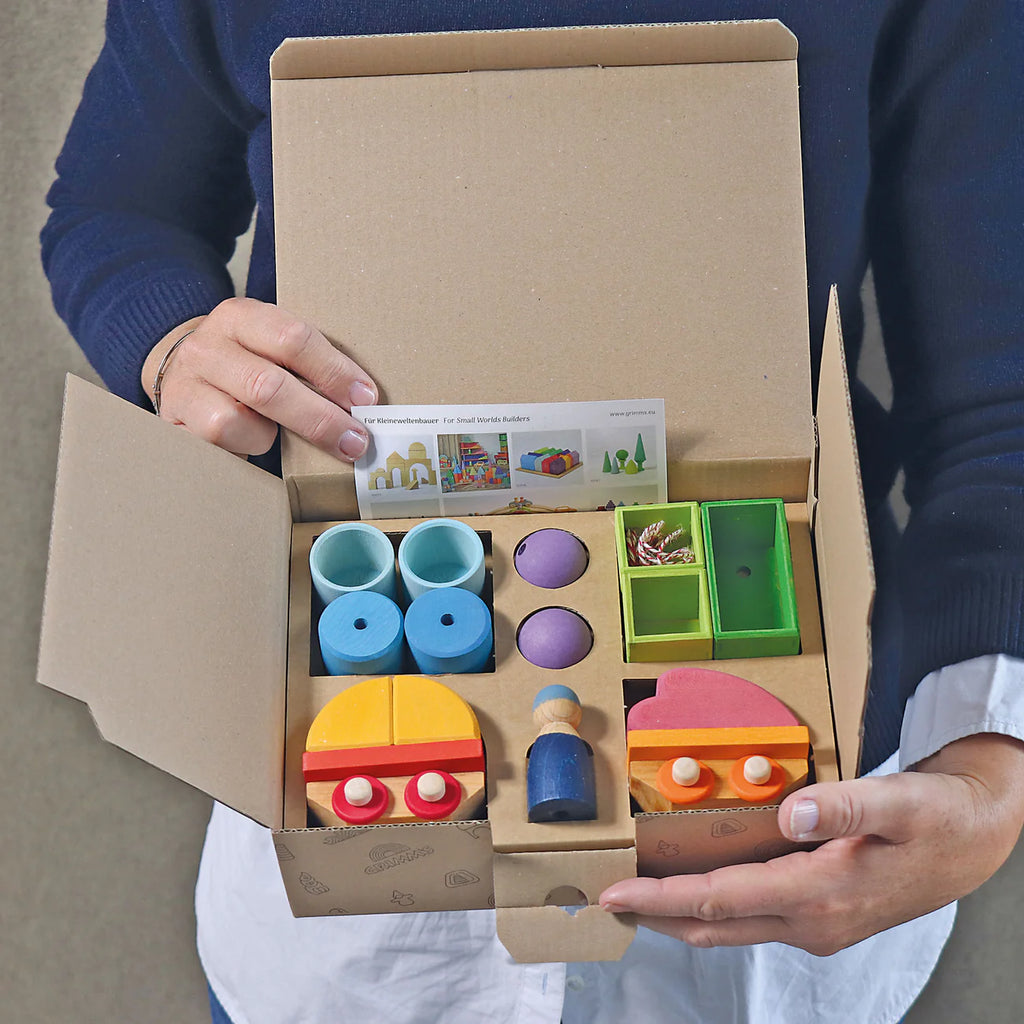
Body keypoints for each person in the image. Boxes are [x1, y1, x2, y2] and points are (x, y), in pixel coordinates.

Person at [42, 2, 1024, 1022]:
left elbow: (997, 395)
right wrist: (174, 345)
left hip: (766, 915)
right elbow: (116, 210)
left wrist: (987, 774)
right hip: (348, 938)